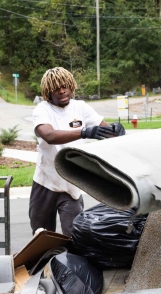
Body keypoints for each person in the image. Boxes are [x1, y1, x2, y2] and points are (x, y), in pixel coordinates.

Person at [30, 66, 125, 236]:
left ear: (71, 86)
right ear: (48, 92)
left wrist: (117, 130)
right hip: (46, 183)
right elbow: (50, 136)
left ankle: (69, 263)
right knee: (41, 237)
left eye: (65, 86)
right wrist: (83, 132)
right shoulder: (42, 110)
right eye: (56, 88)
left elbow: (106, 131)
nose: (61, 91)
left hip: (72, 183)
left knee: (74, 237)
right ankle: (40, 263)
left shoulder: (80, 107)